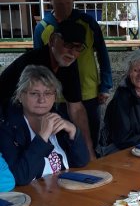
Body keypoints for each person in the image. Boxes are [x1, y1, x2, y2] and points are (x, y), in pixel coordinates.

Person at [0, 19, 96, 159]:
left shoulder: (67, 63)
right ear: (52, 40)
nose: (72, 53)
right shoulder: (33, 65)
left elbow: (76, 108)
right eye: (68, 45)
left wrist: (89, 150)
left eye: (78, 48)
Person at [34, 0, 112, 148]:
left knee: (90, 138)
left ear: (73, 1)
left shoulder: (88, 23)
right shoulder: (43, 27)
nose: (64, 8)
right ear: (50, 2)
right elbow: (38, 64)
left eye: (68, 3)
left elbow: (102, 53)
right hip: (58, 97)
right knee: (63, 141)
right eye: (59, 4)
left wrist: (105, 85)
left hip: (88, 92)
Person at [0, 66, 89, 186]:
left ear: (55, 97)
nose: (42, 100)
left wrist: (73, 132)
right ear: (20, 96)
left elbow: (81, 162)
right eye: (34, 93)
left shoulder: (58, 119)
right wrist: (42, 137)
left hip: (66, 193)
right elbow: (20, 178)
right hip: (32, 200)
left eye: (48, 93)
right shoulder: (7, 128)